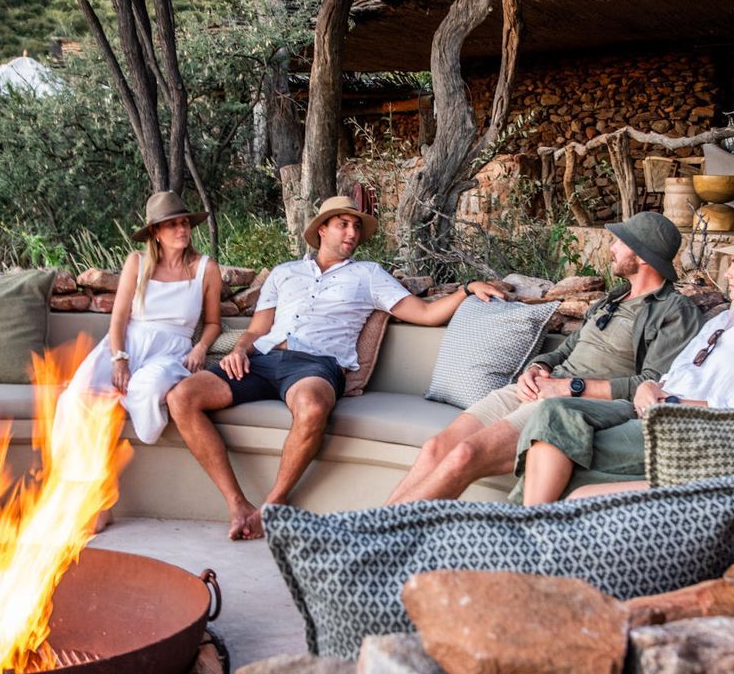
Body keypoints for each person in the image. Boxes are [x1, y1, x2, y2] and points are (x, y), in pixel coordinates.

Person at [165, 194, 507, 540]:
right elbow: (257, 329)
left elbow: (425, 314)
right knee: (182, 396)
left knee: (312, 408)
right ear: (322, 229)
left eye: (357, 226)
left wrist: (465, 289)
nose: (352, 232)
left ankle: (274, 505)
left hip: (315, 366)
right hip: (263, 360)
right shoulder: (284, 273)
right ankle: (237, 504)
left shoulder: (369, 275)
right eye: (343, 224)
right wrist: (239, 350)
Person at [382, 210, 702, 504]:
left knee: (464, 455)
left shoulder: (674, 310)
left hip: (568, 407)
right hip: (542, 389)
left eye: (622, 242)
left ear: (642, 256)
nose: (613, 247)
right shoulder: (614, 299)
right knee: (435, 449)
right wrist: (537, 368)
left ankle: (383, 546)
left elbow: (651, 384)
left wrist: (568, 389)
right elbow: (567, 348)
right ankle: (364, 534)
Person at [518, 217, 734, 504]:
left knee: (562, 446)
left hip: (689, 429)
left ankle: (523, 532)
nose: (727, 273)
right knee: (554, 412)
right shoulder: (727, 318)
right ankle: (526, 527)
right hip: (651, 408)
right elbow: (678, 370)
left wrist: (669, 402)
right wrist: (651, 386)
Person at [71, 191, 221, 443]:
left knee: (148, 387)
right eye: (172, 224)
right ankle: (77, 474)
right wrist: (119, 358)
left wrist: (200, 348)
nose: (181, 229)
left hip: (172, 349)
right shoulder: (137, 262)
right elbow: (118, 319)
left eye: (184, 222)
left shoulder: (206, 268)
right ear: (155, 233)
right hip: (129, 343)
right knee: (78, 394)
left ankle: (142, 416)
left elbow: (213, 323)